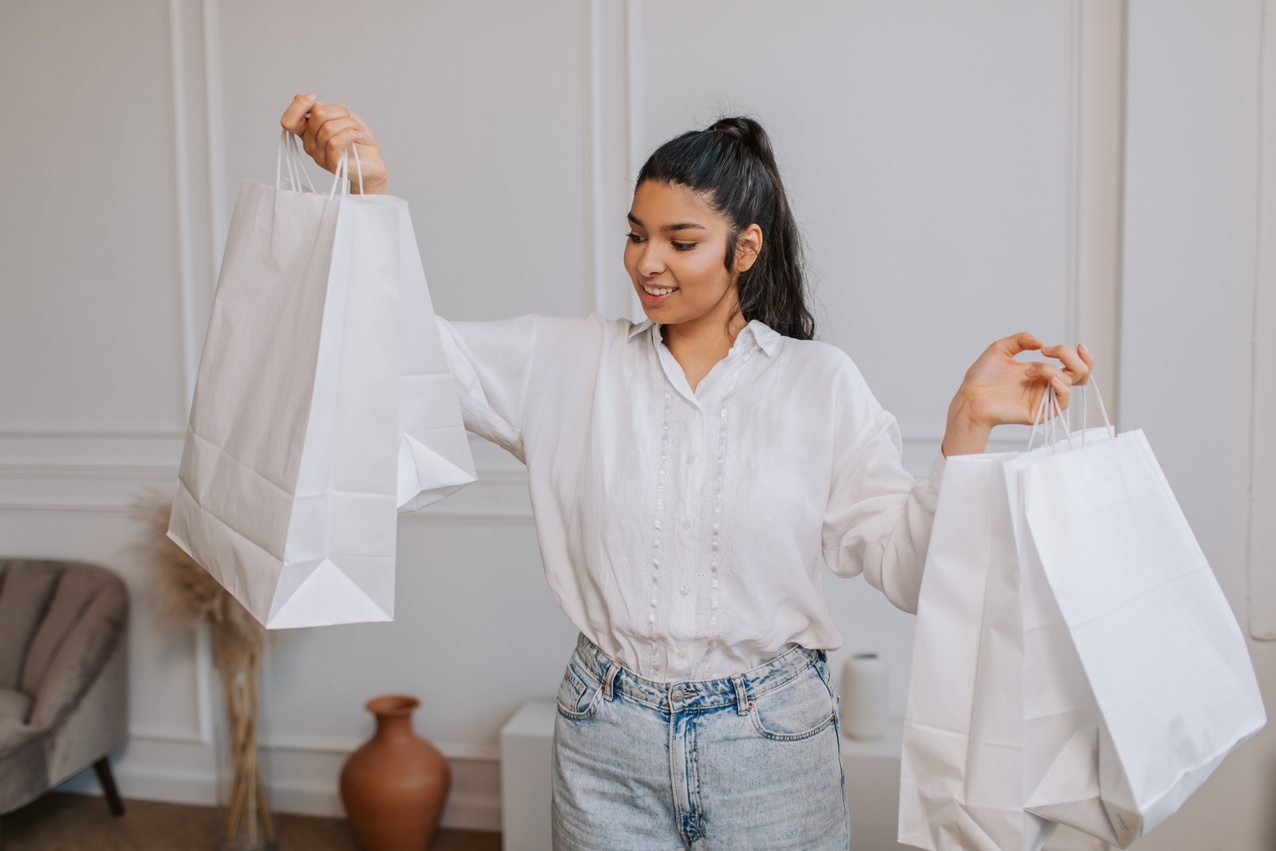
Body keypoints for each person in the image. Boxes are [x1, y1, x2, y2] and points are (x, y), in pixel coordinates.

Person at [281, 93, 1093, 850]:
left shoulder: (821, 385)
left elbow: (912, 568)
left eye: (681, 240)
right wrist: (366, 199)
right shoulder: (565, 362)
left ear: (746, 248)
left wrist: (967, 425)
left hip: (773, 747)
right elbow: (412, 356)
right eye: (637, 233)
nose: (647, 263)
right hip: (605, 739)